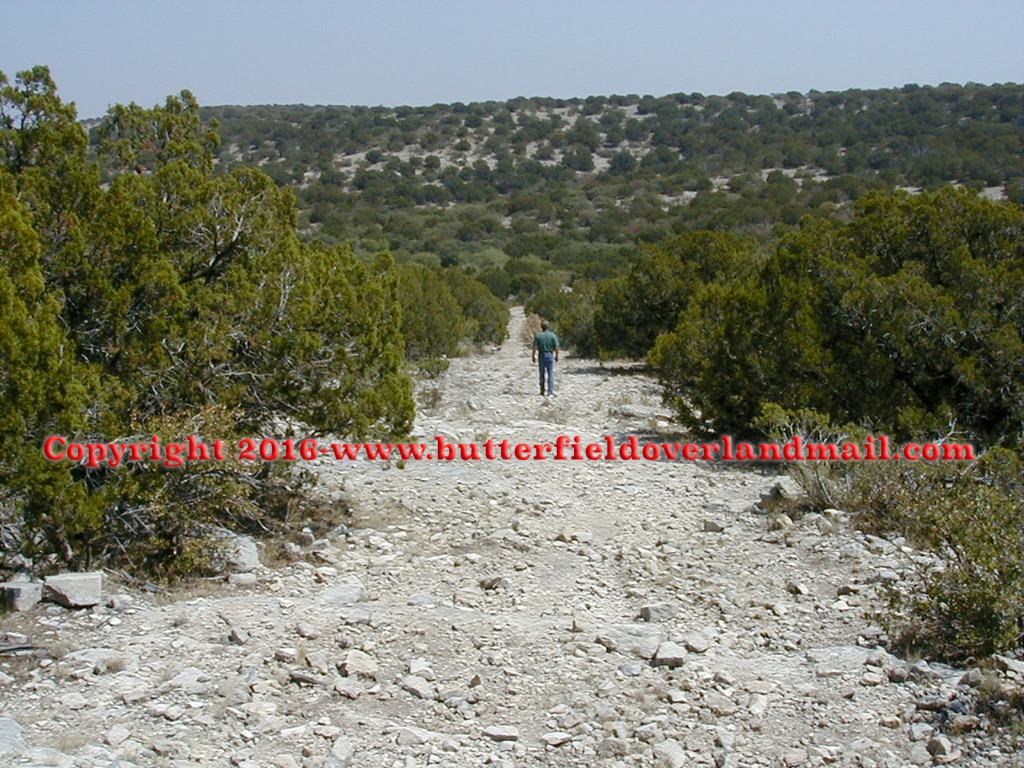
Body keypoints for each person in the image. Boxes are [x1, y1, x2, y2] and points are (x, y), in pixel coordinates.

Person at [532, 320, 561, 396]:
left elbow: (535, 347)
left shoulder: (538, 336)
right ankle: (550, 391)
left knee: (542, 373)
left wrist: (533, 356)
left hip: (541, 355)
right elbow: (556, 347)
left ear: (541, 327)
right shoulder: (552, 335)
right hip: (550, 355)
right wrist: (557, 355)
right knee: (550, 373)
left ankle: (542, 390)